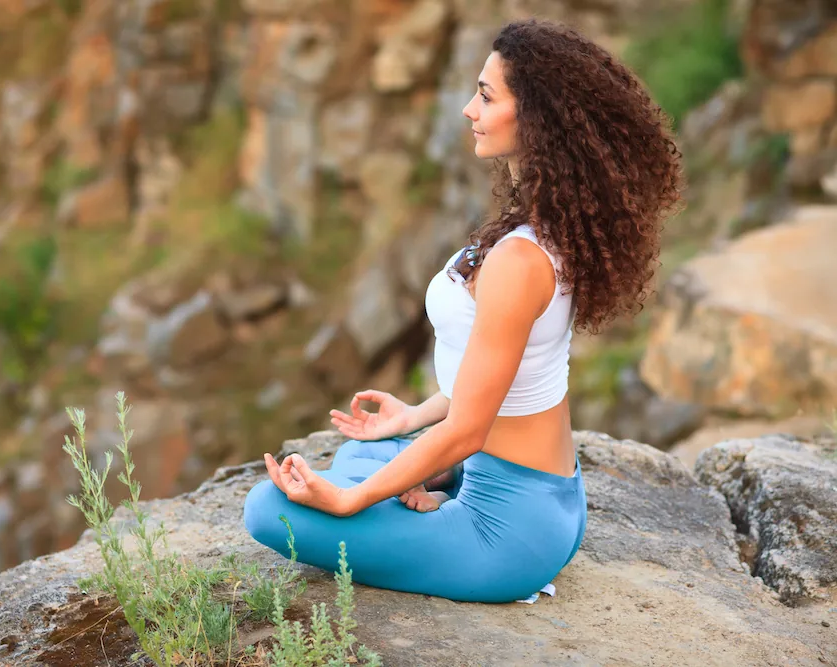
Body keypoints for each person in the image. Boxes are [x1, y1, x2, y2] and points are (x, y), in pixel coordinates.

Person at [243, 18, 683, 603]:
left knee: (269, 509)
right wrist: (412, 418)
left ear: (538, 119)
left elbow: (470, 427)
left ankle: (433, 483)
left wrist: (350, 501)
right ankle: (434, 476)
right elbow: (505, 374)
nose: (468, 110)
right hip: (539, 492)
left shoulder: (521, 261)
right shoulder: (543, 225)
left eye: (485, 95)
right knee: (368, 449)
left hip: (505, 533)